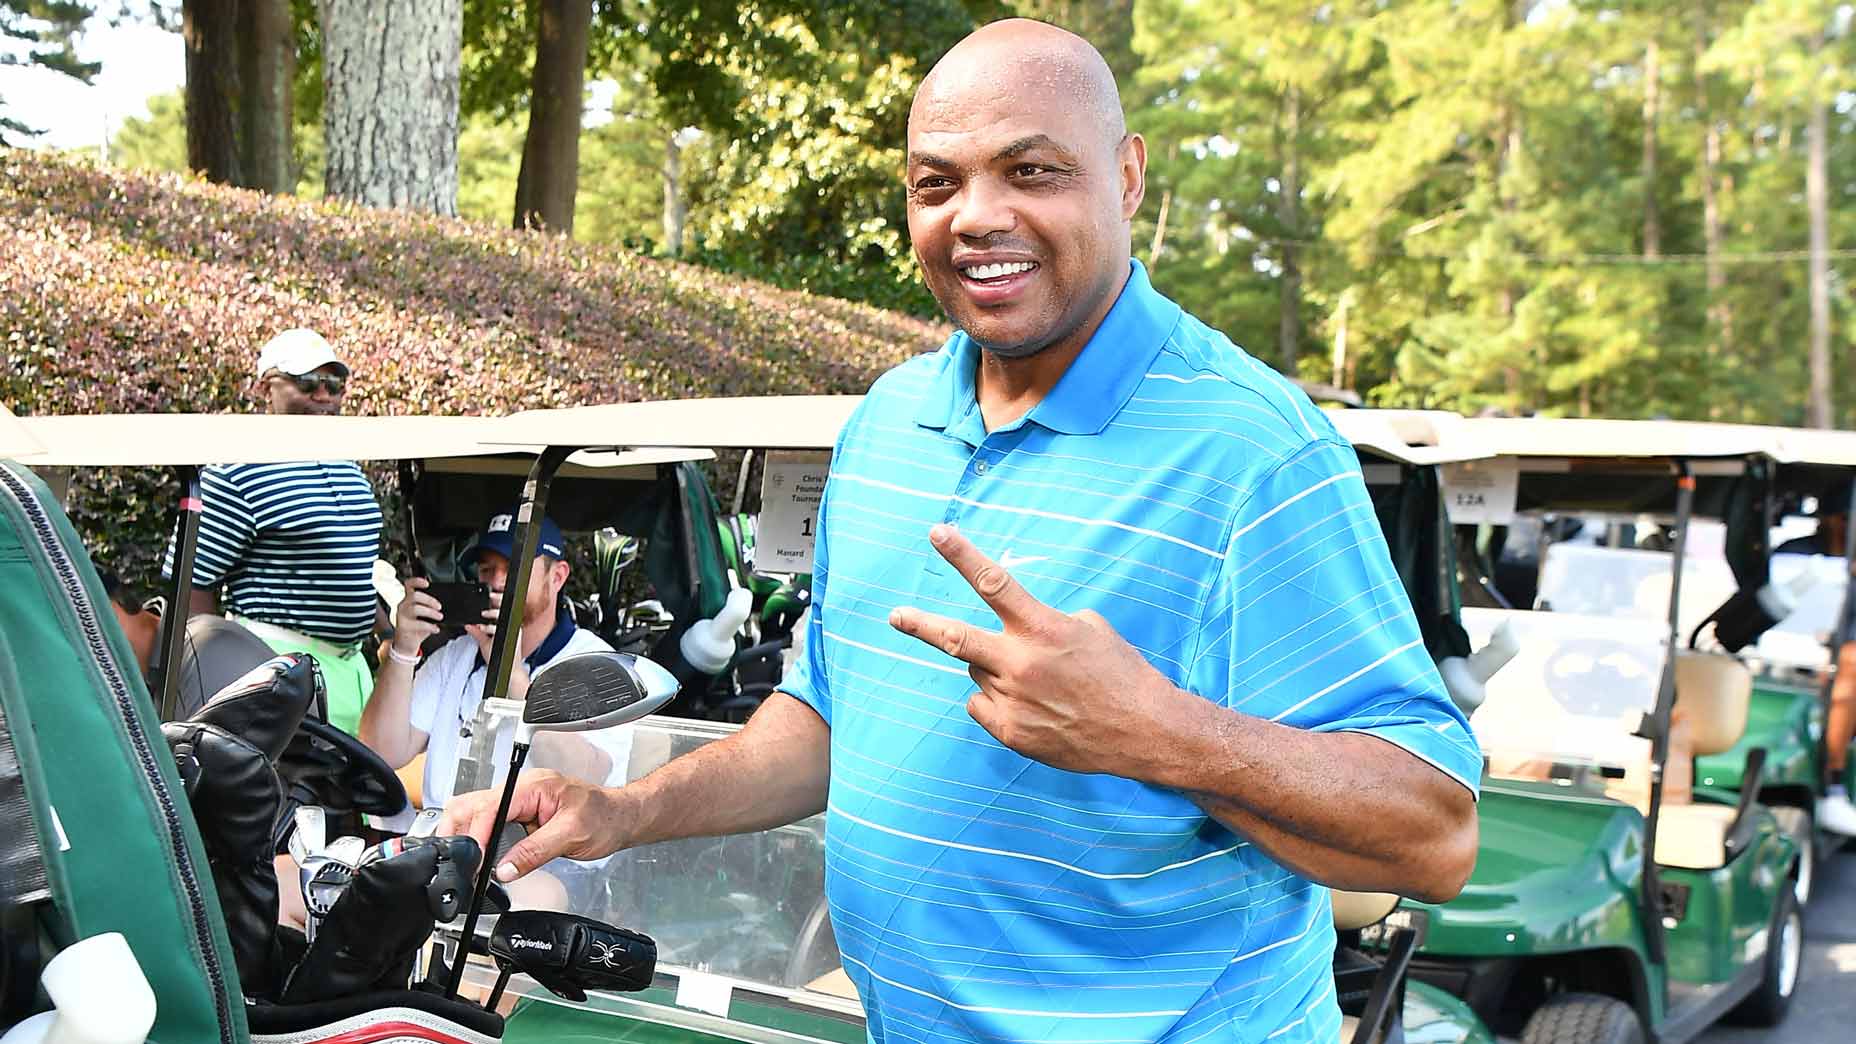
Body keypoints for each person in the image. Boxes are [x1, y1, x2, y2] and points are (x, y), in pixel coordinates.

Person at [445, 20, 1479, 1042]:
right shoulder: (888, 423)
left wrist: (1155, 735)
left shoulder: (1253, 450)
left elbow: (1431, 837)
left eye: (1029, 170)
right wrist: (625, 814)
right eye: (935, 184)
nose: (975, 217)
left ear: (1125, 179)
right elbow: (824, 722)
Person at [360, 511, 629, 877]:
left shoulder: (594, 662)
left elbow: (588, 774)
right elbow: (382, 751)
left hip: (549, 855)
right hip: (446, 846)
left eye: (514, 567)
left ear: (558, 576)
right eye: (487, 570)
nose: (498, 582)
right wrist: (403, 649)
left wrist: (515, 677)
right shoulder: (455, 656)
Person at [162, 329, 385, 735]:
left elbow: (358, 566)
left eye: (334, 384)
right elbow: (189, 584)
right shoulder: (238, 469)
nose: (324, 395)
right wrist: (217, 674)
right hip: (277, 670)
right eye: (307, 383)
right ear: (266, 386)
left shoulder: (348, 465)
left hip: (352, 672)